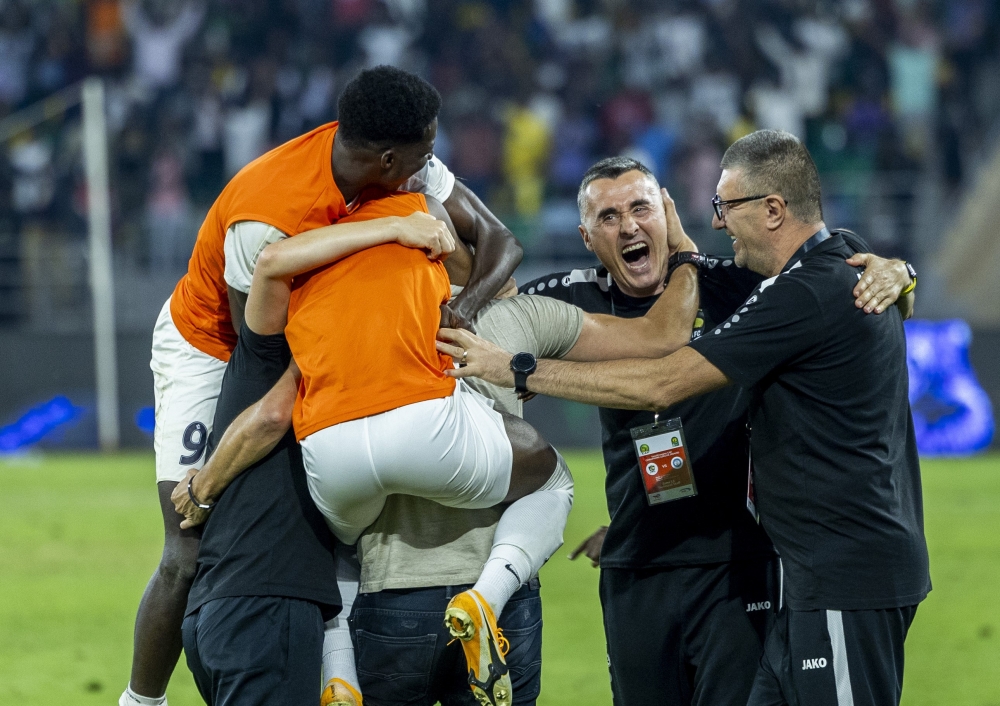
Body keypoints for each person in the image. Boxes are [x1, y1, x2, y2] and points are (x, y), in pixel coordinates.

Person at [442, 131, 930, 706]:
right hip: (641, 559)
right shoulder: (571, 299)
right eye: (608, 216)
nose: (628, 226)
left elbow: (824, 266)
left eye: (641, 208)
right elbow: (497, 298)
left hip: (741, 564)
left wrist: (900, 271)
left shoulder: (739, 287)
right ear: (587, 237)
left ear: (666, 216)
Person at [175, 191, 704, 706]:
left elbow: (268, 414)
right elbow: (661, 337)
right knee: (552, 480)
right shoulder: (521, 314)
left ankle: (338, 672)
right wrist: (684, 251)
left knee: (322, 522)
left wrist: (203, 486)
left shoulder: (346, 322)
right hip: (501, 597)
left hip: (385, 600)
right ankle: (485, 601)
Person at [127, 65, 522, 706]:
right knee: (189, 543)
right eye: (424, 153)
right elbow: (255, 343)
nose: (431, 165)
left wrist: (464, 307)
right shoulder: (265, 216)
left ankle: (337, 672)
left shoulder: (403, 164)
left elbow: (498, 241)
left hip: (310, 334)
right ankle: (141, 699)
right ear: (390, 158)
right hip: (213, 345)